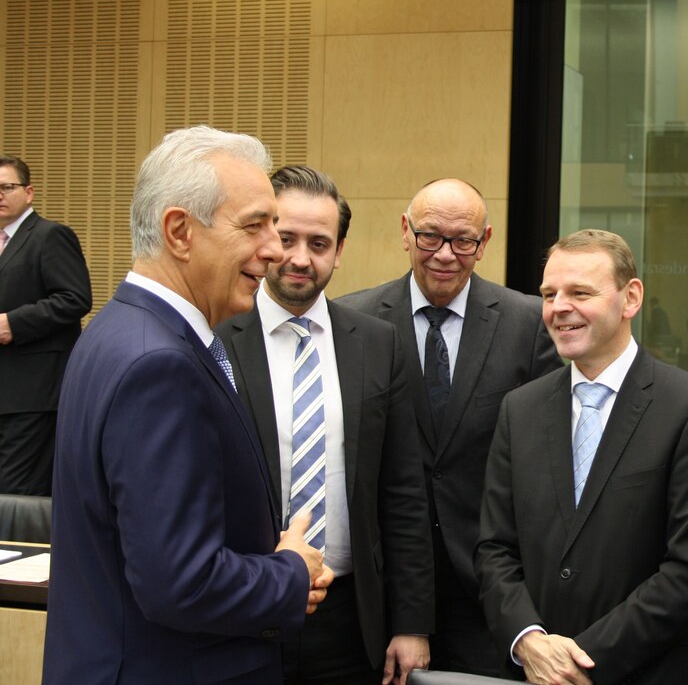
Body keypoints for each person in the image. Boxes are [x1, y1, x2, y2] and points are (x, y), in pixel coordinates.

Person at [44, 126, 331, 684]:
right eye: (255, 225)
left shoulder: (117, 330)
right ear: (179, 231)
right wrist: (291, 572)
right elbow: (181, 582)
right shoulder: (160, 364)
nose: (274, 249)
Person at [476, 229, 688, 685]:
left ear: (630, 298)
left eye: (580, 292)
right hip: (533, 670)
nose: (559, 307)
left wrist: (579, 661)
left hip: (647, 672)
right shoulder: (520, 409)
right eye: (549, 294)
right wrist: (528, 640)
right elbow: (495, 548)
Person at [217, 165, 434, 685]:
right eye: (286, 237)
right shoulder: (216, 336)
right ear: (265, 234)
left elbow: (403, 491)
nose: (299, 257)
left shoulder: (378, 344)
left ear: (339, 251)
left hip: (346, 621)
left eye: (319, 243)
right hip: (238, 611)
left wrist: (411, 624)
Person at [337, 178, 561, 676]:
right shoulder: (353, 321)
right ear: (405, 231)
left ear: (484, 241)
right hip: (382, 589)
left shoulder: (527, 324)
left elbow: (546, 462)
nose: (445, 254)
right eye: (430, 236)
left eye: (463, 240)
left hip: (488, 588)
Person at [0, 155, 92, 495]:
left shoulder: (49, 236)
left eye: (6, 187)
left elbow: (75, 298)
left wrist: (13, 323)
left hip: (33, 394)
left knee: (15, 495)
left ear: (29, 192)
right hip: (5, 394)